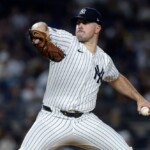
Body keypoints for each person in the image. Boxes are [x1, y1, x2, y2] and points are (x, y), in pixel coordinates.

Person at [19, 7, 150, 150]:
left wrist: (139, 98)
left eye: (86, 22)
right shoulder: (67, 41)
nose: (80, 25)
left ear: (97, 28)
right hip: (52, 118)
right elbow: (40, 27)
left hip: (85, 121)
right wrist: (38, 33)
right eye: (78, 22)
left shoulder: (104, 59)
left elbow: (116, 78)